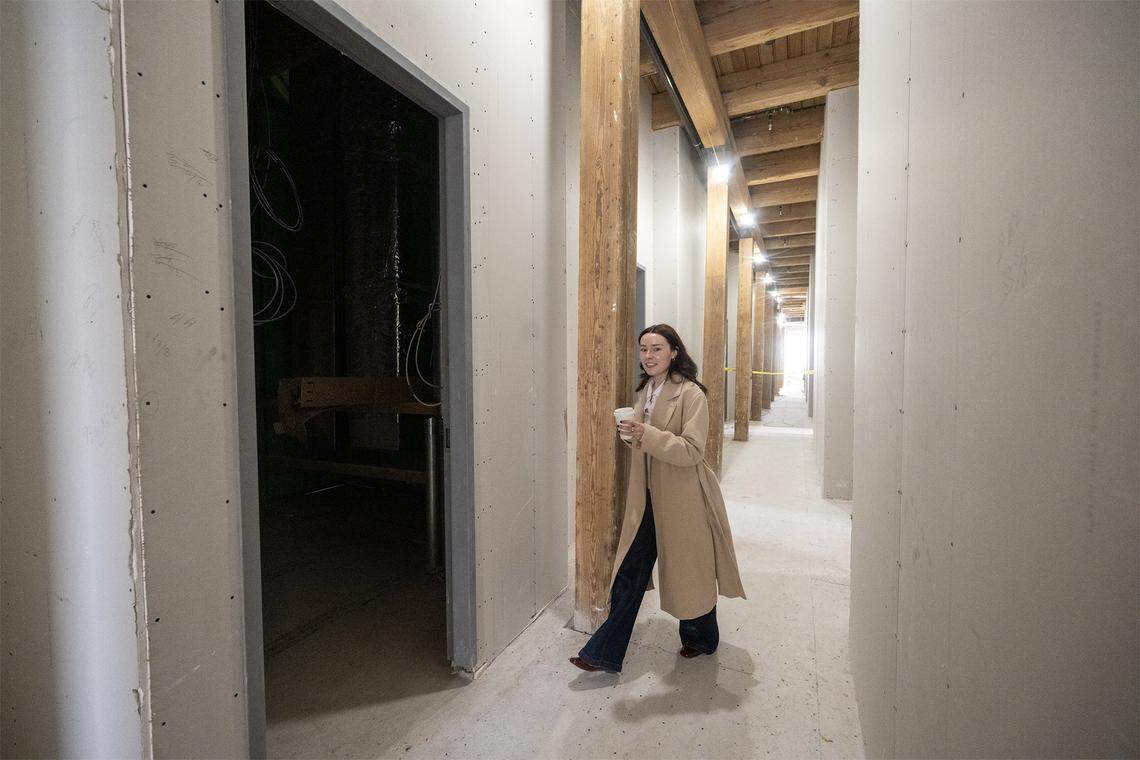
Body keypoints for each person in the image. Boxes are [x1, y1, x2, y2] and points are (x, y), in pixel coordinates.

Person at [570, 324, 746, 674]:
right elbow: (644, 443)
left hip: (683, 498)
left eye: (657, 349)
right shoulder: (645, 391)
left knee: (690, 571)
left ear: (674, 352)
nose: (648, 356)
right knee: (630, 572)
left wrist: (645, 434)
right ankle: (603, 653)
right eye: (644, 349)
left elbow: (692, 450)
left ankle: (701, 638)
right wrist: (629, 435)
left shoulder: (692, 394)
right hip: (646, 497)